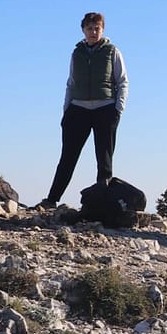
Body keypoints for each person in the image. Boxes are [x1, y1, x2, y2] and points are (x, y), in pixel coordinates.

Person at [38, 12, 127, 208]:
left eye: (97, 28)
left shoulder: (112, 51)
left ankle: (101, 203)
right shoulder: (76, 53)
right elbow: (70, 83)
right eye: (90, 28)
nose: (93, 32)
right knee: (67, 157)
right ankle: (51, 199)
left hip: (106, 109)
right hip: (77, 110)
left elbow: (122, 81)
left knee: (104, 159)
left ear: (102, 30)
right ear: (83, 30)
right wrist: (66, 110)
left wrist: (118, 108)